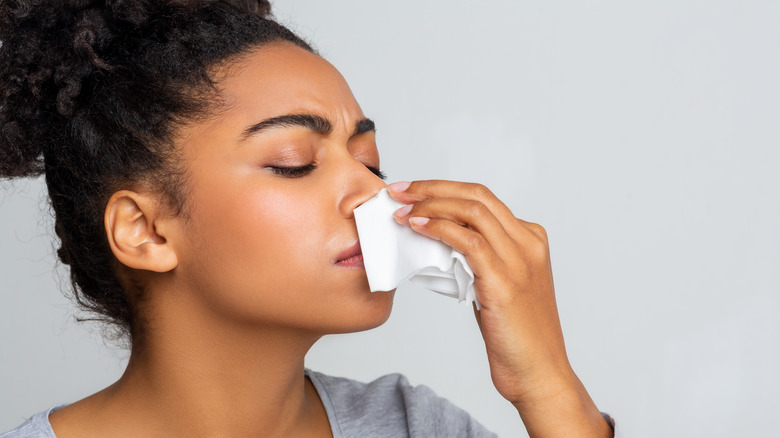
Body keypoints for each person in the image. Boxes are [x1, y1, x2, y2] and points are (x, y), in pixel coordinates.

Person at [0, 1, 619, 437]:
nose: (371, 193)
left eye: (370, 162)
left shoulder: (412, 426)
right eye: (294, 162)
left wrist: (548, 389)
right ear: (146, 230)